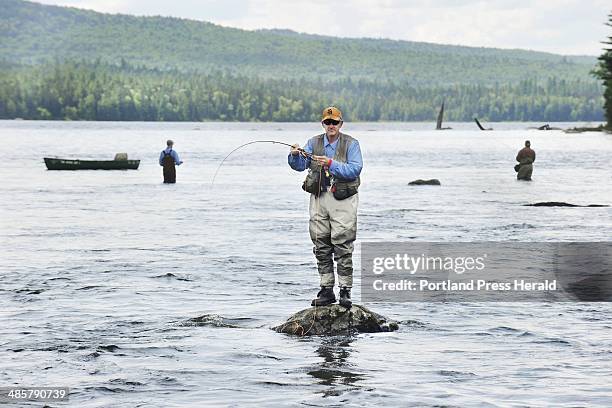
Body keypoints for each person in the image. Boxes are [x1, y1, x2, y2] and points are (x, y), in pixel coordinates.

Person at [288, 107, 363, 308]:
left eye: (335, 122)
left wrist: (331, 163)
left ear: (341, 124)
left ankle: (345, 291)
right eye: (327, 122)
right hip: (319, 197)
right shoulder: (313, 143)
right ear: (323, 124)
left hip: (343, 199)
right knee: (320, 243)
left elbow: (355, 168)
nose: (331, 126)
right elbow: (300, 165)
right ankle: (326, 289)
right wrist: (294, 155)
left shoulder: (351, 144)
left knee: (342, 244)